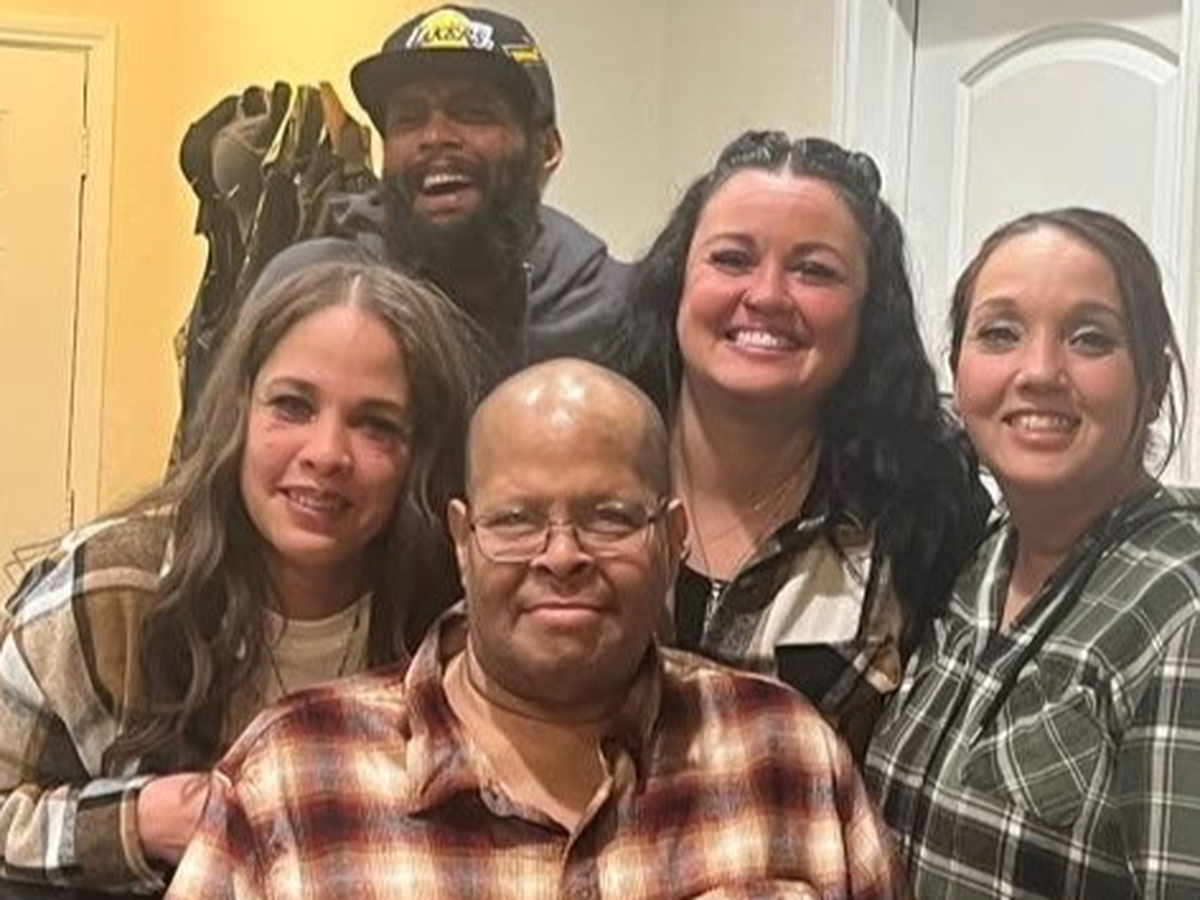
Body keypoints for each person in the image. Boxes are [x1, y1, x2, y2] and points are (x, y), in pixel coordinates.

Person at [166, 359, 909, 900]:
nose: (561, 557)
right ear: (463, 542)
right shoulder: (291, 778)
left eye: (608, 517)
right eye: (517, 520)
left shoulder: (787, 756)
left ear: (672, 539)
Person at [0, 261, 489, 893]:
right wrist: (136, 823)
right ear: (240, 411)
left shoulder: (456, 623)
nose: (326, 453)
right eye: (292, 405)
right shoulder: (111, 591)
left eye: (376, 424)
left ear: (420, 455)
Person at [607, 130, 991, 757]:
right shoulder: (579, 467)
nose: (766, 296)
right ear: (676, 282)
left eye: (814, 270)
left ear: (869, 312)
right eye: (732, 259)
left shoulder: (925, 514)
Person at [864, 208, 1200, 899]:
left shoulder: (1181, 613)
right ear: (957, 369)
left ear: (1155, 385)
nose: (1040, 371)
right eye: (1000, 333)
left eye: (1090, 338)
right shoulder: (973, 559)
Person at [258, 4, 628, 369]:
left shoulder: (609, 311)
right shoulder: (306, 288)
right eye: (409, 117)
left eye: (473, 112)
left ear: (546, 149)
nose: (435, 137)